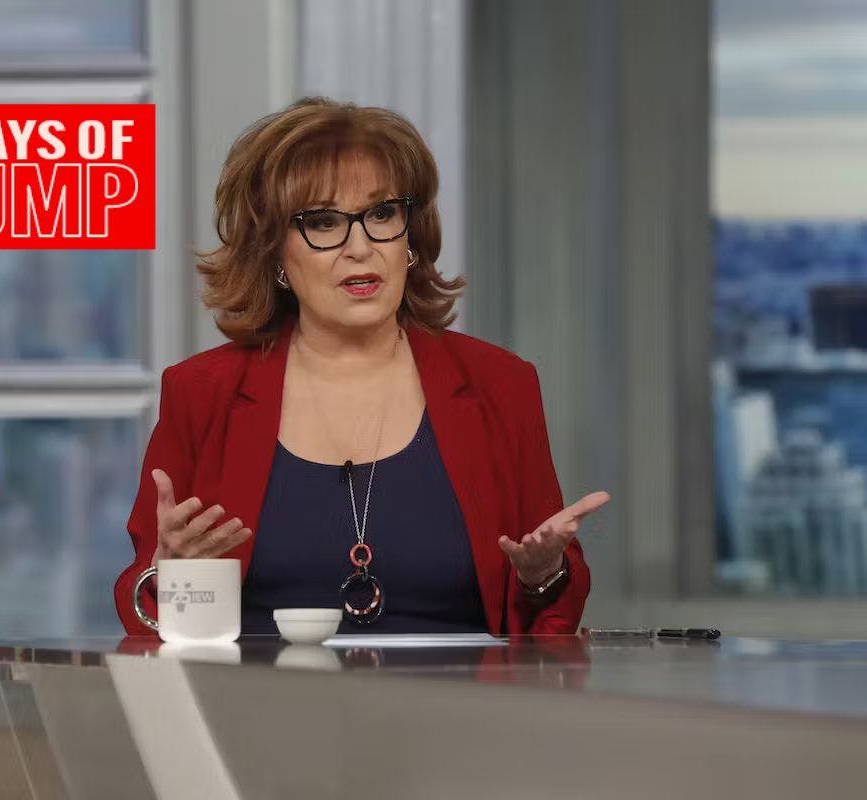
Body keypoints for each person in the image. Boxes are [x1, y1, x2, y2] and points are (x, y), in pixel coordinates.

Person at [114, 97, 610, 637]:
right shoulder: (201, 392)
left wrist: (543, 576)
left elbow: (548, 620)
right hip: (258, 691)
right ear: (274, 252)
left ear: (410, 238)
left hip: (457, 691)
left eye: (382, 215)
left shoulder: (500, 384)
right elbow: (151, 620)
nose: (360, 247)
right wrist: (175, 578)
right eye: (323, 222)